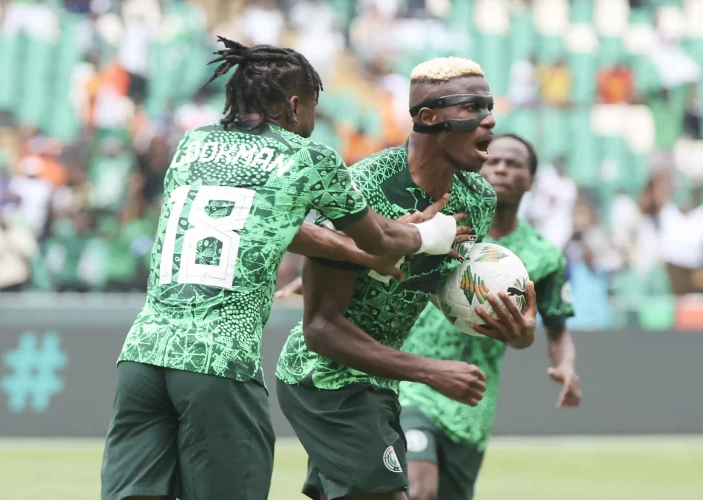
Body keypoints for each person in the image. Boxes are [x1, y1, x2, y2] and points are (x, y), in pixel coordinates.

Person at [100, 38, 462, 500]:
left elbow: (265, 222)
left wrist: (355, 256)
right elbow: (384, 238)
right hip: (218, 361)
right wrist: (434, 234)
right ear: (295, 106)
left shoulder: (193, 145)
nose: (312, 120)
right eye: (313, 106)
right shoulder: (308, 157)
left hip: (142, 356)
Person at [274, 57, 538, 500]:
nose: (489, 120)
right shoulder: (362, 187)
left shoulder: (477, 197)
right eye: (472, 107)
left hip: (379, 382)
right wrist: (430, 371)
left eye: (489, 106)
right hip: (324, 379)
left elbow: (444, 286)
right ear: (429, 117)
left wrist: (514, 329)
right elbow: (320, 329)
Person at [400, 135, 582, 500]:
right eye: (494, 161)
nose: (501, 168)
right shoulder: (448, 223)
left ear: (531, 180)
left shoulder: (544, 256)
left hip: (473, 399)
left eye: (514, 164)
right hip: (413, 382)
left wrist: (566, 366)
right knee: (419, 491)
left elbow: (556, 330)